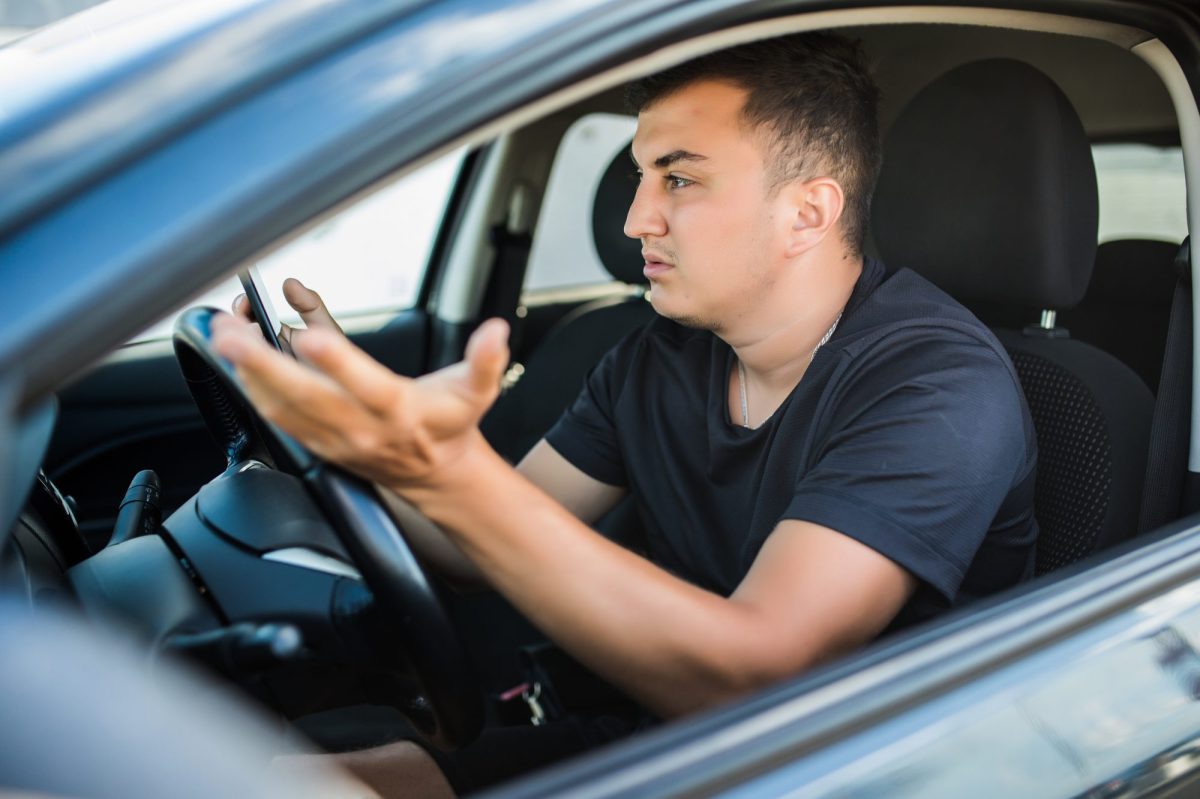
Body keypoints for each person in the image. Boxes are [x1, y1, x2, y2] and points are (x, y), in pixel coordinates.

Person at [213, 33, 1038, 797]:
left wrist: (446, 470)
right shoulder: (659, 357)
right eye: (642, 175)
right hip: (665, 739)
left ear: (807, 213)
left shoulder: (938, 388)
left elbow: (754, 676)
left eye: (678, 178)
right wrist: (339, 426)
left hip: (840, 769)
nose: (634, 217)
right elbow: (470, 551)